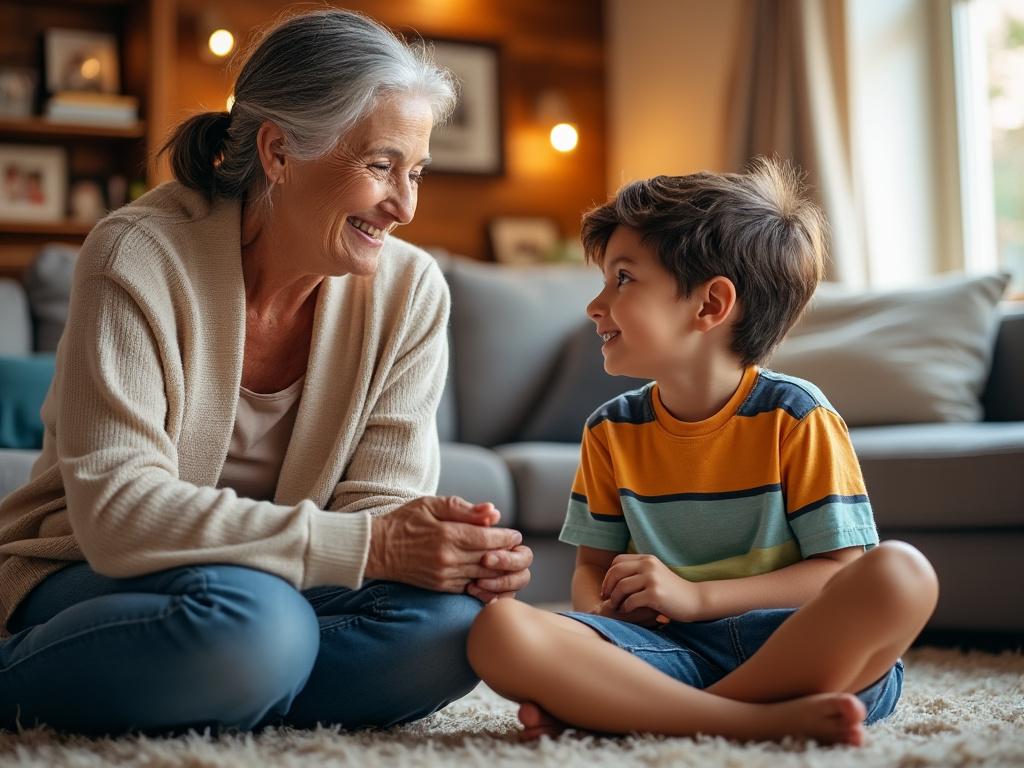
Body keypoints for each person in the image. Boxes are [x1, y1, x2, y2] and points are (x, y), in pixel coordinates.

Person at [0, 9, 531, 735]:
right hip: (92, 573)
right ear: (280, 152)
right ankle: (213, 667)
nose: (404, 206)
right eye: (380, 166)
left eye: (415, 173)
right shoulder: (139, 254)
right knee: (256, 619)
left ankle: (221, 682)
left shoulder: (412, 291)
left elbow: (378, 503)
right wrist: (374, 549)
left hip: (278, 597)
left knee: (452, 625)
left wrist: (445, 553)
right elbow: (117, 516)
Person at [467, 159, 939, 745]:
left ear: (711, 305)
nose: (595, 304)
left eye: (623, 278)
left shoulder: (796, 416)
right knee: (499, 629)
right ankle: (742, 722)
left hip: (793, 648)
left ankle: (644, 713)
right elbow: (591, 569)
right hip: (666, 651)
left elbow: (838, 574)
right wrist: (610, 612)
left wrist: (698, 598)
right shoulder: (610, 430)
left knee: (902, 574)